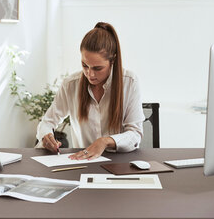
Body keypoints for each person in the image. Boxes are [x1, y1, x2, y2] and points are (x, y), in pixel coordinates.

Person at [36, 22, 144, 160]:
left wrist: (104, 141)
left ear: (113, 60)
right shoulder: (71, 84)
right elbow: (47, 122)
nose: (90, 74)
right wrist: (46, 136)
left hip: (120, 163)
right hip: (82, 163)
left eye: (97, 68)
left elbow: (135, 134)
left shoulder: (129, 82)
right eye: (85, 65)